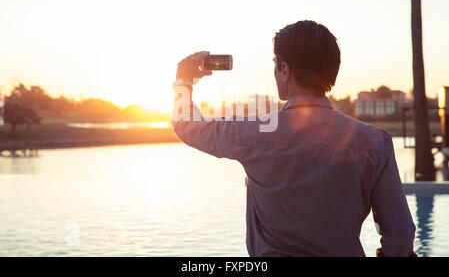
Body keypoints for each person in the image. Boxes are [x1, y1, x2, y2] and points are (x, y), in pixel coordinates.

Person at [171, 20, 416, 257]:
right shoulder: (375, 142)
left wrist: (184, 82)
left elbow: (188, 125)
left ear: (285, 70)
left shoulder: (254, 132)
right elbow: (401, 235)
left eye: (276, 63)